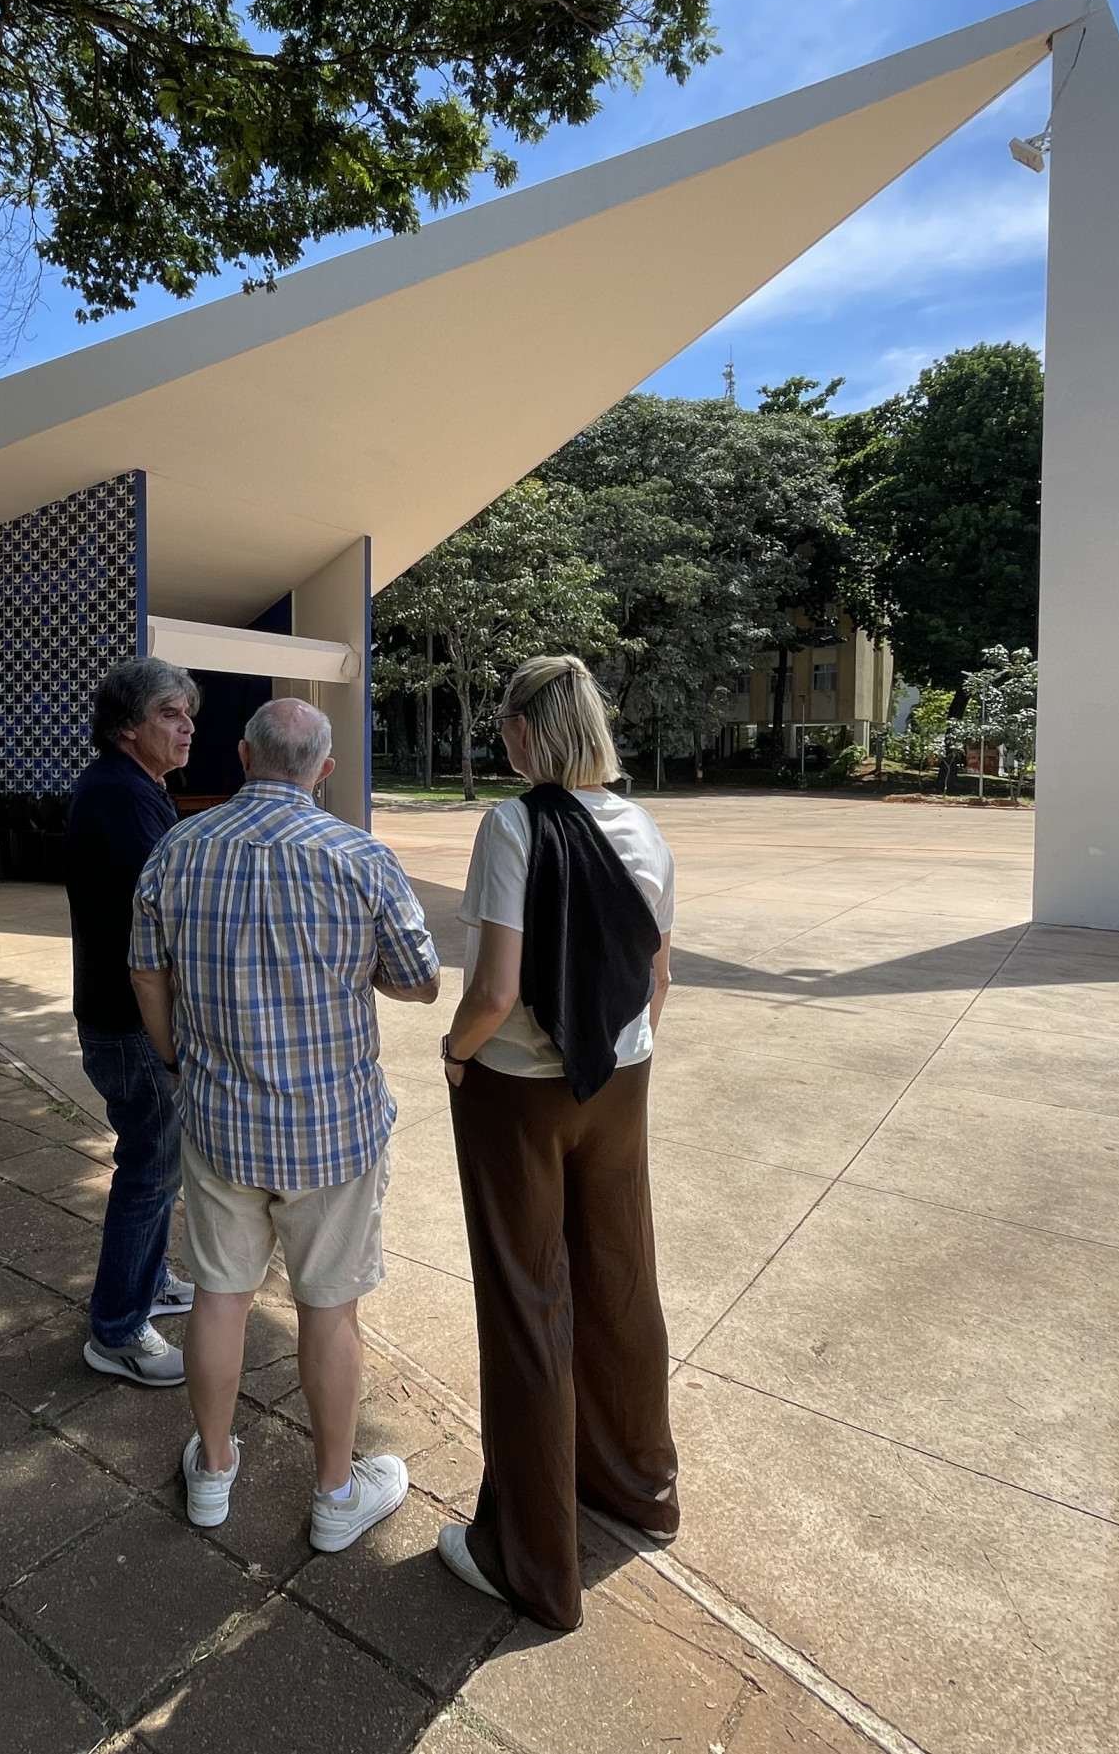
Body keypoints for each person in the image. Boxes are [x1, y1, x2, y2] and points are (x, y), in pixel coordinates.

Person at [128, 698, 441, 1552]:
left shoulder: (177, 850)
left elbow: (146, 975)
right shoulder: (361, 858)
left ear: (241, 754)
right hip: (334, 1132)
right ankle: (337, 1491)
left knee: (220, 1296)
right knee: (330, 1309)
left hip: (221, 1119)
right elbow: (420, 980)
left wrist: (175, 1058)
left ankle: (216, 1471)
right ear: (324, 770)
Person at [432, 654, 679, 1631]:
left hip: (521, 1089)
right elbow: (658, 974)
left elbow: (494, 991)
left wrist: (454, 1056)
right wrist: (623, 1052)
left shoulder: (512, 824)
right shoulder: (645, 825)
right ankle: (636, 1487)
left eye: (505, 724)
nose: (501, 740)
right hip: (622, 1076)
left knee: (526, 1305)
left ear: (531, 731)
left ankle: (531, 1561)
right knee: (620, 1281)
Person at [66, 656, 202, 1386]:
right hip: (130, 1021)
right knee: (149, 1168)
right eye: (170, 714)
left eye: (189, 716)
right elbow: (161, 917)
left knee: (159, 1162)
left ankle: (147, 1283)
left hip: (130, 1015)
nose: (186, 729)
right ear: (128, 726)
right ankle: (117, 1328)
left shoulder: (136, 789)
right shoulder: (118, 798)